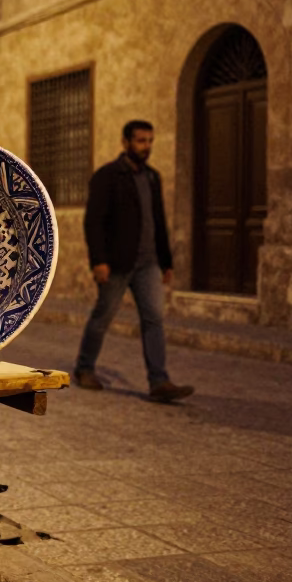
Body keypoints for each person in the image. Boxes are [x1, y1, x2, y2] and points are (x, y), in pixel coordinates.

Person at [75, 121, 194, 404]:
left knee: (154, 319)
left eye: (150, 141)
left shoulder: (153, 177)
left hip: (149, 263)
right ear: (126, 142)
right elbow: (93, 222)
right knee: (103, 316)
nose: (146, 146)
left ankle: (159, 380)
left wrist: (166, 262)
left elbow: (158, 221)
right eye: (141, 141)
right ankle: (84, 368)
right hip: (117, 263)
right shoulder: (107, 176)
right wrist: (99, 261)